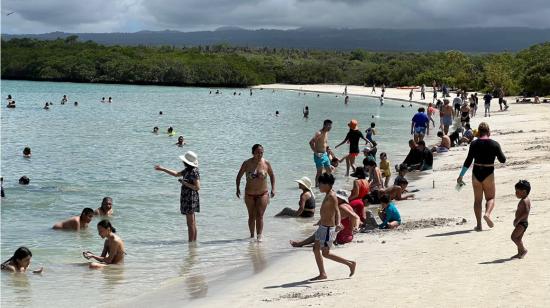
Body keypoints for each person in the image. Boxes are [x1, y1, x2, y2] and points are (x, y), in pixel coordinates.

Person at [457, 122, 506, 231]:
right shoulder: (495, 144)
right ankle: (487, 214)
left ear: (478, 132)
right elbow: (503, 160)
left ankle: (479, 225)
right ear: (489, 132)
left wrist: (461, 176)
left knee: (477, 200)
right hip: (488, 173)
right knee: (491, 198)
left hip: (476, 173)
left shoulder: (474, 144)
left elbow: (468, 161)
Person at [310, 173, 356, 280]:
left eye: (320, 184)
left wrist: (338, 223)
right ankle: (322, 274)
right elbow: (327, 211)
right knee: (315, 249)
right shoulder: (328, 194)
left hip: (327, 229)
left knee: (325, 253)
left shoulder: (332, 196)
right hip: (322, 227)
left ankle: (350, 264)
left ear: (327, 184)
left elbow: (336, 211)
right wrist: (320, 220)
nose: (319, 185)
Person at [155, 151, 201, 242]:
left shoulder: (194, 171)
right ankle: (193, 244)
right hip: (188, 197)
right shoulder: (187, 170)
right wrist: (163, 169)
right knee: (192, 223)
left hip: (190, 198)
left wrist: (185, 183)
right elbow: (176, 174)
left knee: (190, 223)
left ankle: (191, 243)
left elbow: (197, 187)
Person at [236, 144, 276, 242]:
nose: (260, 154)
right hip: (249, 194)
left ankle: (259, 236)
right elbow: (239, 176)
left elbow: (272, 175)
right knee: (251, 215)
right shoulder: (247, 163)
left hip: (263, 193)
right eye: (257, 152)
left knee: (260, 215)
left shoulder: (266, 163)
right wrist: (237, 188)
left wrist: (273, 188)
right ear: (253, 152)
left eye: (261, 152)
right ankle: (251, 236)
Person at [511, 180, 531, 259]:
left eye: (517, 191)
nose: (515, 193)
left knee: (514, 237)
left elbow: (526, 212)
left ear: (524, 192)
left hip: (522, 223)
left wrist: (517, 219)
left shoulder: (524, 201)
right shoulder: (525, 199)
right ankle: (519, 253)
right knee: (518, 238)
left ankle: (523, 250)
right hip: (522, 223)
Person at [309, 120, 333, 186]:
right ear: (324, 125)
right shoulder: (319, 133)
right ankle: (317, 186)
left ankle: (326, 185)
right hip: (319, 156)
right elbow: (311, 142)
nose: (330, 127)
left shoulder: (326, 133)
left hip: (325, 154)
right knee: (319, 172)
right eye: (328, 125)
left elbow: (324, 143)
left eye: (331, 125)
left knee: (329, 170)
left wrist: (328, 148)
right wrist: (316, 153)